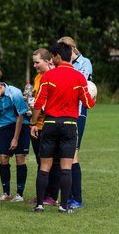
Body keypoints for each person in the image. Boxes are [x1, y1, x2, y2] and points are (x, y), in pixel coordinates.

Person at [31, 42, 95, 213]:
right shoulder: (79, 78)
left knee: (44, 167)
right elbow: (88, 103)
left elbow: (38, 103)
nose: (52, 59)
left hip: (50, 124)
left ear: (58, 57)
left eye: (53, 56)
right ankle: (64, 206)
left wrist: (32, 123)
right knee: (66, 167)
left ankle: (39, 205)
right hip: (69, 125)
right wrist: (94, 95)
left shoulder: (48, 76)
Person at [0, 70, 30, 203]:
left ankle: (19, 194)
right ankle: (6, 193)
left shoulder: (14, 93)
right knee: (4, 159)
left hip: (21, 126)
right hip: (4, 126)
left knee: (19, 158)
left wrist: (15, 138)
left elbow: (20, 116)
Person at [57, 36, 92, 209]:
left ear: (70, 48)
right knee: (63, 155)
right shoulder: (61, 63)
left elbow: (81, 85)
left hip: (77, 113)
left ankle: (76, 198)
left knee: (73, 155)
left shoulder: (85, 63)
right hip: (61, 113)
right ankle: (66, 195)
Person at [27, 48, 60, 206]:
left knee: (52, 162)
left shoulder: (54, 76)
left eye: (37, 62)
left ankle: (52, 196)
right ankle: (42, 194)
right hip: (36, 125)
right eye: (33, 62)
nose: (34, 65)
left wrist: (40, 111)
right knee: (41, 161)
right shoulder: (38, 77)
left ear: (48, 61)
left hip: (50, 124)